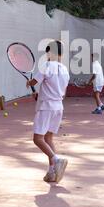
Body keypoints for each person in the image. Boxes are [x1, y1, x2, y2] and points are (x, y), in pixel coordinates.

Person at [26, 41, 70, 183]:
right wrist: (40, 95)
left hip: (46, 107)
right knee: (48, 138)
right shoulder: (64, 69)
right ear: (61, 54)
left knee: (37, 139)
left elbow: (34, 82)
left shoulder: (46, 66)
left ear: (49, 53)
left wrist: (29, 83)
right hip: (58, 107)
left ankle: (56, 159)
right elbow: (59, 90)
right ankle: (52, 172)